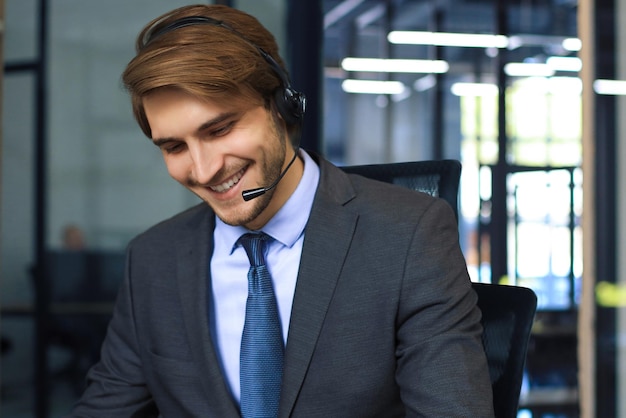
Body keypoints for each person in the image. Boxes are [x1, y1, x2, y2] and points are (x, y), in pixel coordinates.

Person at [68, 4, 494, 417]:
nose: (204, 170)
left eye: (219, 129)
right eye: (175, 147)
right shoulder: (152, 258)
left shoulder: (408, 234)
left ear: (282, 107)